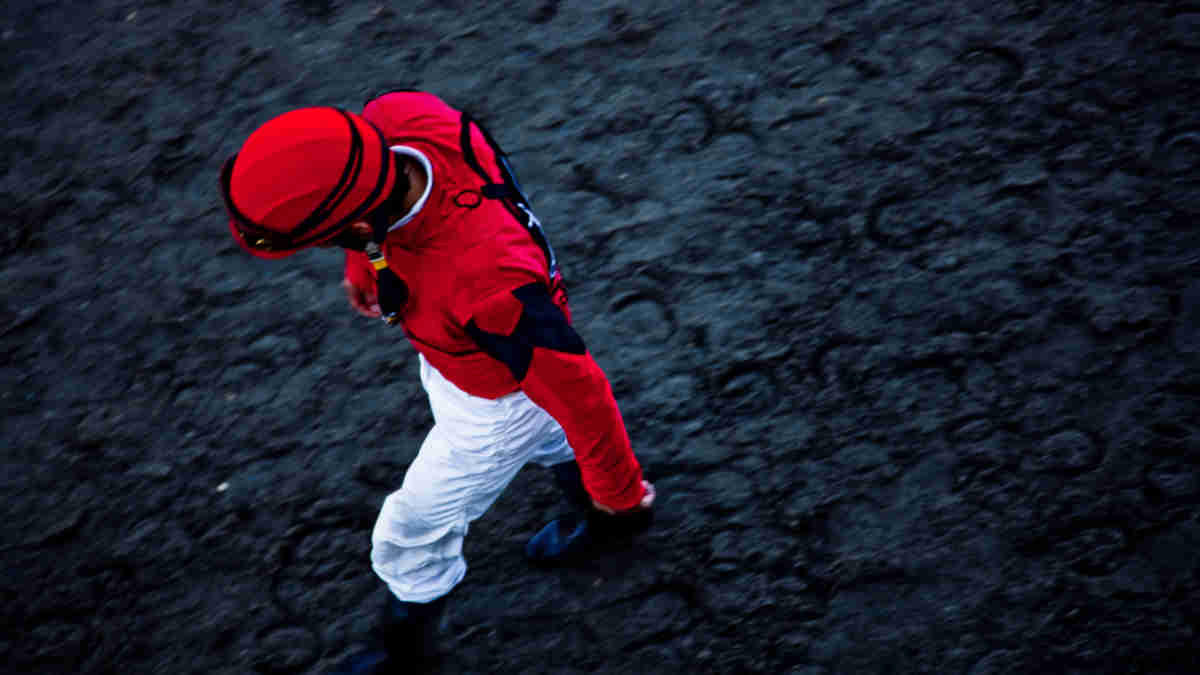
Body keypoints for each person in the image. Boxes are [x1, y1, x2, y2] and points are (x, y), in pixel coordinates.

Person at [218, 91, 656, 673]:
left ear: (355, 224)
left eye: (324, 240)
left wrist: (621, 493)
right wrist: (363, 258)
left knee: (409, 534)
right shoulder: (404, 115)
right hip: (496, 346)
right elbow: (373, 187)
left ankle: (407, 655)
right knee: (552, 430)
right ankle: (596, 521)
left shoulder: (481, 281)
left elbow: (581, 389)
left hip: (496, 405)